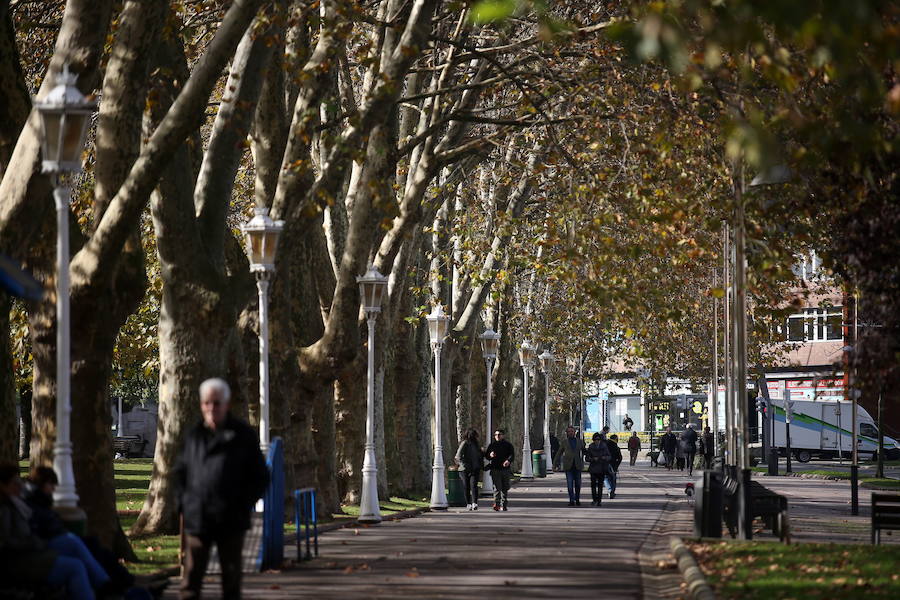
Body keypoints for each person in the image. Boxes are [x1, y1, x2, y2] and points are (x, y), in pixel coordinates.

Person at [174, 378, 269, 600]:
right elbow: (180, 472)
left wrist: (243, 504)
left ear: (226, 404)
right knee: (191, 580)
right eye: (207, 403)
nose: (211, 408)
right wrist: (183, 504)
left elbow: (260, 476)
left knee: (231, 580)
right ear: (201, 404)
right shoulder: (194, 435)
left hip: (231, 519)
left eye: (216, 403)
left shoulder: (243, 435)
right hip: (198, 518)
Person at [24, 466, 136, 595]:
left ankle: (126, 582)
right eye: (51, 484)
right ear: (42, 483)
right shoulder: (35, 501)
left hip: (55, 538)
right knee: (77, 545)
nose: (53, 489)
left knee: (97, 549)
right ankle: (107, 584)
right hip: (48, 542)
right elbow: (43, 526)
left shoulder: (41, 500)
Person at [0, 462, 97, 600]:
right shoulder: (6, 509)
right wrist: (35, 543)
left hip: (33, 552)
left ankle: (105, 585)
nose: (19, 486)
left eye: (19, 481)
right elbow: (8, 541)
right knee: (75, 563)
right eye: (14, 482)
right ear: (3, 485)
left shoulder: (17, 503)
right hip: (21, 560)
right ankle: (104, 585)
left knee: (78, 548)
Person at [553, 426, 585, 506]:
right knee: (570, 484)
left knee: (578, 484)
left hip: (577, 465)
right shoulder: (564, 442)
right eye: (569, 431)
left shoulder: (580, 442)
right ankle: (571, 500)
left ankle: (577, 499)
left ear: (575, 432)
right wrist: (555, 464)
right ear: (567, 433)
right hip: (568, 466)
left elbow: (584, 451)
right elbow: (559, 453)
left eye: (572, 431)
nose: (571, 433)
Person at [455, 428, 484, 511]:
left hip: (475, 468)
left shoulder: (476, 444)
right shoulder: (465, 443)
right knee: (466, 486)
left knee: (474, 485)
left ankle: (474, 502)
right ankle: (468, 503)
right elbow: (458, 456)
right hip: (464, 469)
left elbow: (480, 455)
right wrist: (464, 465)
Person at [485, 429, 514, 511]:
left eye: (499, 434)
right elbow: (487, 455)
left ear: (503, 435)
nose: (497, 436)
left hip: (505, 469)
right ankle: (496, 504)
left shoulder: (508, 445)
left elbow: (512, 455)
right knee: (497, 487)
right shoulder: (492, 445)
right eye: (495, 435)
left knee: (505, 487)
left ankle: (504, 504)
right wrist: (490, 455)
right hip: (495, 468)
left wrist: (508, 461)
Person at [584, 433, 611, 506]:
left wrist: (604, 458)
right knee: (593, 485)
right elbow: (587, 458)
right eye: (595, 439)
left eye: (598, 439)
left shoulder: (604, 446)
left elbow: (609, 456)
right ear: (593, 440)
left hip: (602, 468)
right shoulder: (591, 446)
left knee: (600, 485)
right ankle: (594, 499)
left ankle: (599, 500)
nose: (597, 441)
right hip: (593, 468)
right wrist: (592, 459)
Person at [605, 434, 623, 499]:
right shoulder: (616, 447)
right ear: (615, 439)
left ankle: (609, 490)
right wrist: (617, 465)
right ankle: (612, 491)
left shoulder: (605, 445)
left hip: (606, 464)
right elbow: (620, 457)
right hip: (613, 465)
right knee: (613, 479)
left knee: (606, 478)